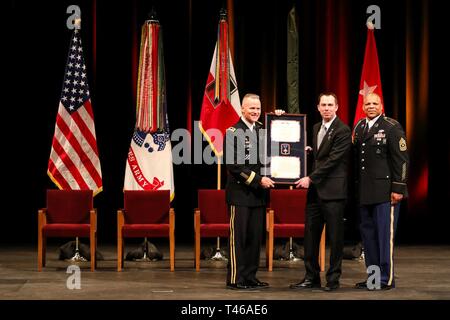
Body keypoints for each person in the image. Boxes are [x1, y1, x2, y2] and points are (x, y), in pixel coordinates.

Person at [290, 92, 352, 292]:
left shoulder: (343, 130)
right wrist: (307, 151)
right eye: (323, 104)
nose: (326, 108)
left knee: (335, 239)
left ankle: (333, 280)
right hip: (315, 194)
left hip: (333, 192)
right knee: (310, 237)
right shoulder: (316, 127)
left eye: (330, 104)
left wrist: (310, 178)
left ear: (337, 107)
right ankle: (311, 277)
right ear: (318, 107)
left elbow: (333, 161)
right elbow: (320, 156)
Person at [353, 92, 408, 290]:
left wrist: (398, 188)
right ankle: (374, 279)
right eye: (367, 103)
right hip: (365, 193)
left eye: (374, 103)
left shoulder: (391, 127)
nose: (371, 106)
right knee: (369, 238)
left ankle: (386, 279)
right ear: (363, 106)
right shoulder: (359, 127)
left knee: (385, 238)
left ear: (381, 106)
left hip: (386, 194)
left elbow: (401, 160)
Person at [224, 93, 275, 290]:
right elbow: (234, 166)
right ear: (242, 109)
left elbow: (279, 139)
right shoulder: (233, 131)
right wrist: (258, 179)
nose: (255, 112)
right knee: (239, 238)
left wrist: (279, 117)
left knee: (255, 239)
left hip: (259, 195)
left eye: (258, 109)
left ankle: (251, 277)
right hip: (240, 194)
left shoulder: (263, 129)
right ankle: (236, 278)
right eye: (251, 108)